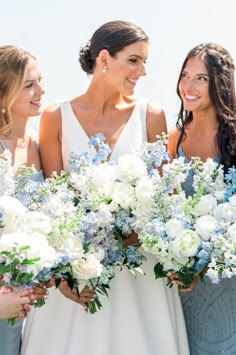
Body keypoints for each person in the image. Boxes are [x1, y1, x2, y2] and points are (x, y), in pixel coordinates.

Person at [21, 20, 189, 355]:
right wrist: (74, 268)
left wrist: (131, 235)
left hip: (138, 270)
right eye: (134, 60)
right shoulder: (56, 115)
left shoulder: (151, 115)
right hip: (77, 274)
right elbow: (54, 200)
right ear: (104, 59)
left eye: (144, 62)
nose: (141, 71)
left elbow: (163, 198)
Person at [168, 43, 236, 354]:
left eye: (201, 78)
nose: (188, 86)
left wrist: (212, 260)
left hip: (228, 276)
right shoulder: (173, 140)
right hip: (184, 282)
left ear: (220, 84)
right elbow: (165, 206)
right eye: (185, 75)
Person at [0, 45, 46, 355]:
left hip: (27, 303)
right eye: (29, 85)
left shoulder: (42, 147)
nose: (41, 90)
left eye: (40, 81)